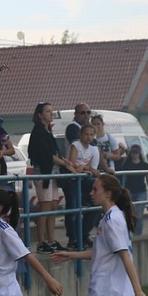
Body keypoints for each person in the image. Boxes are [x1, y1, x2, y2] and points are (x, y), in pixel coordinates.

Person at [27, 102, 70, 253]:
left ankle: (51, 240)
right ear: (40, 115)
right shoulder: (38, 132)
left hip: (52, 172)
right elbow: (46, 155)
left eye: (52, 111)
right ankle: (41, 242)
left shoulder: (48, 130)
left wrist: (64, 161)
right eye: (48, 111)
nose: (51, 114)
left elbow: (54, 152)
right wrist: (64, 163)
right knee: (45, 207)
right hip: (43, 172)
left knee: (53, 206)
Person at [60, 103, 92, 249]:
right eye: (82, 113)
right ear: (76, 114)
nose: (86, 115)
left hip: (84, 174)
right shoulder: (73, 128)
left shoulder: (86, 129)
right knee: (73, 207)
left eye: (88, 112)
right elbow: (79, 147)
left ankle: (83, 235)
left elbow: (93, 147)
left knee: (91, 206)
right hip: (72, 173)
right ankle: (73, 239)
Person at [69, 122, 101, 246]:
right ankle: (74, 239)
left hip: (86, 180)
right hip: (74, 181)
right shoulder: (75, 145)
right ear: (81, 135)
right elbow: (72, 163)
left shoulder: (93, 149)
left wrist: (84, 167)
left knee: (94, 208)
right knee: (75, 210)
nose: (88, 137)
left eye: (91, 135)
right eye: (86, 134)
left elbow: (92, 168)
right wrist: (85, 167)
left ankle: (84, 234)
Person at [114, 144, 148, 236]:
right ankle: (128, 234)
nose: (134, 154)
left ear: (139, 153)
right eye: (133, 152)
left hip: (141, 192)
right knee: (128, 214)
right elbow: (122, 177)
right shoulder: (127, 164)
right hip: (129, 192)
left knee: (139, 215)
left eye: (136, 152)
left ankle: (137, 235)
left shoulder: (145, 165)